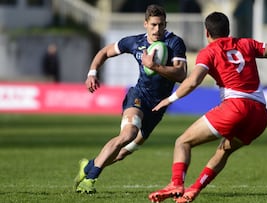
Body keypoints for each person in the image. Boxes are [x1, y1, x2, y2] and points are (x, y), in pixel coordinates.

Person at [148, 12, 267, 203]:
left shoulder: (209, 51)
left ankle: (176, 183)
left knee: (183, 142)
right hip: (259, 115)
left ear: (207, 32)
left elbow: (193, 82)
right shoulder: (247, 43)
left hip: (235, 108)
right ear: (228, 30)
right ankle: (194, 190)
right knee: (224, 151)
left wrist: (170, 98)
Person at [74, 4, 187, 194]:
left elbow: (181, 74)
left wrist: (154, 66)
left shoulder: (175, 43)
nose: (157, 29)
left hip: (158, 106)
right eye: (153, 25)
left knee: (122, 153)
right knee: (128, 135)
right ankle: (90, 180)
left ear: (165, 24)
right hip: (139, 96)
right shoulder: (134, 42)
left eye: (161, 25)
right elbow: (104, 52)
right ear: (145, 24)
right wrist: (92, 72)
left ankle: (87, 167)